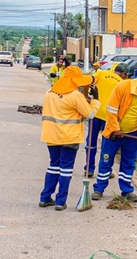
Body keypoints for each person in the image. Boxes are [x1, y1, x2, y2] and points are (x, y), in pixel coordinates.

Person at [39, 66, 99, 211]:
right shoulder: (75, 96)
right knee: (66, 169)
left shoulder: (50, 92)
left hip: (51, 136)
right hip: (69, 137)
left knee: (53, 166)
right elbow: (89, 114)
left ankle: (45, 198)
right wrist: (95, 100)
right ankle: (60, 202)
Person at [92, 73, 137, 202]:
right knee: (106, 161)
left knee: (129, 163)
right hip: (113, 133)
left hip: (133, 134)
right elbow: (111, 111)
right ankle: (99, 189)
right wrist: (116, 129)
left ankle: (127, 191)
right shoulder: (123, 87)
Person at [85, 62, 129, 177]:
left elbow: (89, 87)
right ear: (124, 74)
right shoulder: (123, 83)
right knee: (106, 146)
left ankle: (89, 169)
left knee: (91, 142)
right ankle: (105, 171)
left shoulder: (100, 73)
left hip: (95, 112)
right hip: (109, 117)